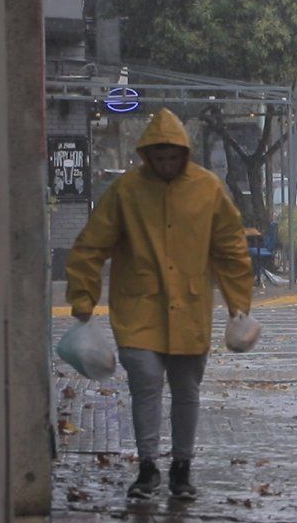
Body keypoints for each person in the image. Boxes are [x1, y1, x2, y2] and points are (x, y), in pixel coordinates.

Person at [65, 108, 253, 500]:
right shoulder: (126, 192)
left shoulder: (208, 189)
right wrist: (82, 298)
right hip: (138, 308)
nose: (166, 165)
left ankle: (182, 467)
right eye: (159, 158)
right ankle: (148, 466)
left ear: (184, 154)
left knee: (186, 389)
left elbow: (231, 249)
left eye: (172, 157)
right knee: (145, 384)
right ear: (147, 156)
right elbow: (91, 246)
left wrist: (240, 304)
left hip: (190, 306)